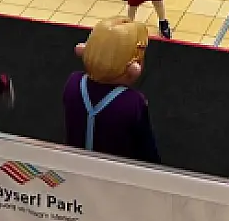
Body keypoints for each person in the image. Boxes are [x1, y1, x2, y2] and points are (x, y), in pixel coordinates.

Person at [63, 18, 161, 162]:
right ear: (133, 65)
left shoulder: (73, 82)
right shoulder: (133, 102)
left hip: (75, 161)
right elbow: (146, 147)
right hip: (116, 169)